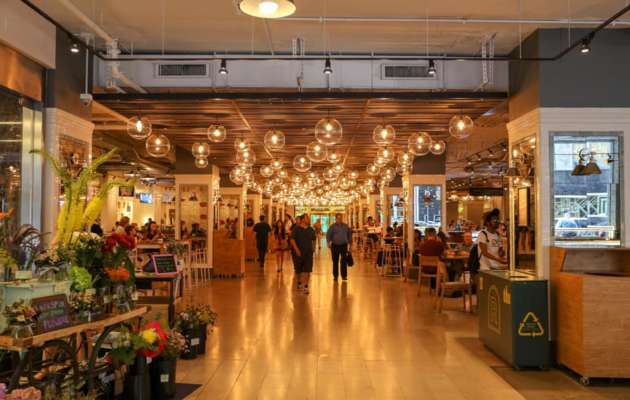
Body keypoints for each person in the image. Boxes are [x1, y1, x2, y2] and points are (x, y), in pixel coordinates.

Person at [290, 214, 315, 294]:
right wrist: (297, 250)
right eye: (307, 218)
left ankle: (306, 286)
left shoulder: (311, 229)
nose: (309, 219)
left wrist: (313, 248)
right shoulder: (296, 229)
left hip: (308, 253)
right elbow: (292, 240)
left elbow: (314, 239)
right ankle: (299, 282)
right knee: (298, 270)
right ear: (303, 219)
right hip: (298, 253)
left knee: (308, 269)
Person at [326, 213, 352, 282]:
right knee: (335, 261)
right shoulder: (332, 227)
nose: (339, 220)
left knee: (344, 261)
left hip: (344, 245)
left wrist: (350, 243)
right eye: (338, 218)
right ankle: (335, 276)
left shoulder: (346, 226)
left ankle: (344, 276)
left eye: (340, 218)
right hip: (335, 246)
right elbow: (328, 235)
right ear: (336, 219)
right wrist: (328, 242)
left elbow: (349, 234)